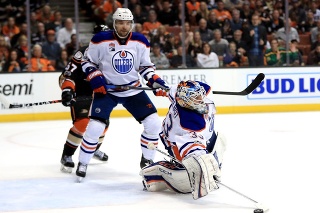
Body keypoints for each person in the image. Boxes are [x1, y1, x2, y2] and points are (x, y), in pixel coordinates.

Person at [76, 8, 169, 180]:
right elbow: (87, 61)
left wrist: (155, 81)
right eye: (120, 22)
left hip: (132, 90)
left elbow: (145, 67)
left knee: (154, 123)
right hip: (108, 90)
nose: (124, 26)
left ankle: (147, 160)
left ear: (131, 23)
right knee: (95, 127)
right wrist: (95, 77)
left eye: (127, 23)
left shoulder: (141, 41)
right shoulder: (100, 40)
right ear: (114, 23)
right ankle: (83, 162)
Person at [140, 80, 227, 200]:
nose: (200, 98)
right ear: (185, 101)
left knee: (220, 142)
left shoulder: (178, 94)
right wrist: (203, 166)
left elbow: (178, 89)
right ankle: (158, 174)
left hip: (195, 136)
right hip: (177, 143)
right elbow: (194, 151)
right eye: (195, 97)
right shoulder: (190, 123)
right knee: (189, 179)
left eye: (199, 95)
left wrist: (164, 89)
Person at [59, 25, 110, 173]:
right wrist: (68, 90)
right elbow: (68, 74)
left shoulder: (113, 54)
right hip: (81, 94)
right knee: (82, 123)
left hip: (99, 94)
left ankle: (92, 148)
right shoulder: (83, 53)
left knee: (103, 125)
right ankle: (67, 156)